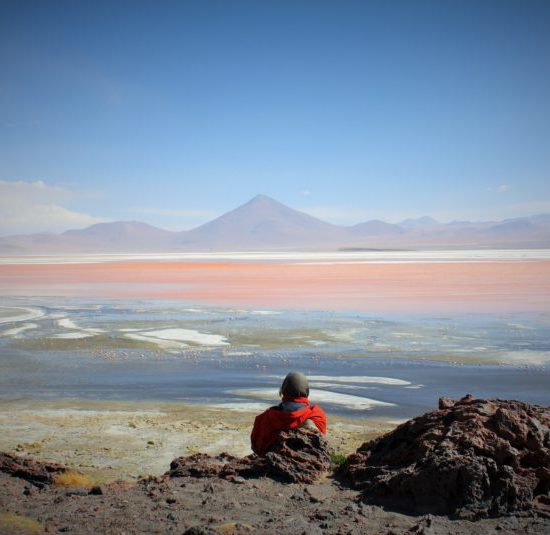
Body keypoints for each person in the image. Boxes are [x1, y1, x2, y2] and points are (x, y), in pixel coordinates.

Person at [250, 371, 327, 456]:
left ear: (283, 391)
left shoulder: (265, 418)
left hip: (271, 461)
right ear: (306, 392)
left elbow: (256, 447)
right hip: (310, 460)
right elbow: (322, 441)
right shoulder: (316, 415)